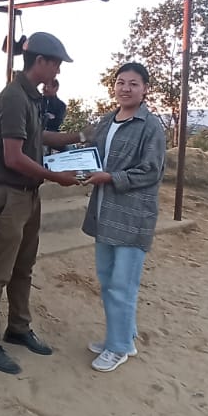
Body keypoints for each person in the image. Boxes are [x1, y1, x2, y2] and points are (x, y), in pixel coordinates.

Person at [0, 33, 86, 375]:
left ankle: (18, 328)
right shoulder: (13, 97)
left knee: (23, 267)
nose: (58, 71)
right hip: (9, 196)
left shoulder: (31, 97)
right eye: (56, 64)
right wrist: (55, 177)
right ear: (41, 61)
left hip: (27, 195)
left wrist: (81, 137)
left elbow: (37, 137)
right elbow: (13, 157)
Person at [80, 63, 167, 373]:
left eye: (133, 83)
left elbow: (151, 171)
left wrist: (110, 177)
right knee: (107, 280)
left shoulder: (150, 125)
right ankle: (122, 339)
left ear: (145, 89)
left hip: (132, 216)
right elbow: (88, 150)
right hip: (104, 213)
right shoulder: (107, 121)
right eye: (120, 82)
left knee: (123, 285)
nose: (125, 89)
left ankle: (117, 348)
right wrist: (71, 164)